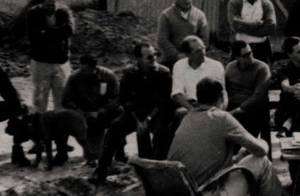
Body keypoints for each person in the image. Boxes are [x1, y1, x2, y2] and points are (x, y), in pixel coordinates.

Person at [167, 77, 300, 196]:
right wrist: (263, 143)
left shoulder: (187, 118)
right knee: (260, 162)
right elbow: (260, 150)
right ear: (222, 97)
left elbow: (205, 162)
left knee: (249, 162)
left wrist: (237, 159)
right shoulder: (221, 117)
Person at [96, 42, 174, 179]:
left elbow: (163, 101)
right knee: (114, 127)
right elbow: (125, 100)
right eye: (149, 57)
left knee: (163, 132)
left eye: (155, 55)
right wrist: (138, 120)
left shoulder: (164, 73)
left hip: (156, 114)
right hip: (135, 115)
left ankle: (157, 169)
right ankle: (101, 169)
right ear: (138, 59)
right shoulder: (129, 73)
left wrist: (147, 119)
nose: (153, 59)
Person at [62, 54, 122, 161]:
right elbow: (66, 100)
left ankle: (120, 150)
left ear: (94, 68)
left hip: (102, 114)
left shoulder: (108, 76)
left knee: (120, 113)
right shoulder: (75, 77)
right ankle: (63, 152)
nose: (82, 72)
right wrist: (80, 112)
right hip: (84, 116)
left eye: (86, 70)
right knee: (94, 154)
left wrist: (102, 111)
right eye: (81, 68)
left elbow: (117, 98)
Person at [26, 0, 73, 112]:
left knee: (62, 98)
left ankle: (60, 128)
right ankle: (40, 127)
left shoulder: (64, 12)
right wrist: (58, 33)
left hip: (61, 61)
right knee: (40, 99)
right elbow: (34, 36)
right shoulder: (33, 13)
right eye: (47, 5)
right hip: (41, 61)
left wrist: (46, 33)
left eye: (53, 4)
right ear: (41, 3)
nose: (50, 8)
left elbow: (69, 30)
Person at [170, 35, 226, 121]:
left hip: (211, 106)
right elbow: (177, 94)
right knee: (180, 114)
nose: (203, 52)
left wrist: (218, 111)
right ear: (188, 54)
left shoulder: (216, 66)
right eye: (198, 51)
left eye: (203, 48)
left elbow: (223, 94)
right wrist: (192, 110)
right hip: (189, 106)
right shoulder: (179, 65)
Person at [224, 40, 272, 138]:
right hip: (232, 106)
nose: (250, 57)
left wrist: (238, 110)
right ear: (237, 57)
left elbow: (258, 95)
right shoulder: (230, 67)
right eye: (245, 55)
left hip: (251, 108)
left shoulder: (262, 68)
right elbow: (225, 89)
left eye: (250, 53)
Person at [226, 0, 277, 64]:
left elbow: (271, 27)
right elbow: (235, 25)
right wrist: (258, 24)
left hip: (262, 49)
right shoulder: (234, 3)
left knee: (262, 74)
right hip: (240, 49)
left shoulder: (266, 4)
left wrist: (244, 28)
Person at [157, 0, 209, 69]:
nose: (187, 1)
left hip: (194, 62)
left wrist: (194, 55)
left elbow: (205, 39)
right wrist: (177, 55)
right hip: (171, 62)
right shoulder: (166, 15)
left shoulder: (200, 15)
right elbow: (162, 40)